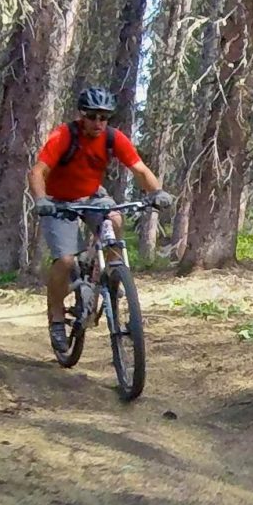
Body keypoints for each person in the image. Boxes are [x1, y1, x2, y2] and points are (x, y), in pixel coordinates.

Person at [30, 86, 168, 354]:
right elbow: (38, 171)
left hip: (93, 196)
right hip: (58, 201)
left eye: (103, 117)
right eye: (92, 116)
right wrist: (41, 199)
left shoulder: (112, 138)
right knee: (66, 260)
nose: (98, 123)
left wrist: (156, 192)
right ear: (82, 115)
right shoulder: (63, 135)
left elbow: (138, 168)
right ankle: (56, 319)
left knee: (114, 218)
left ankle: (112, 275)